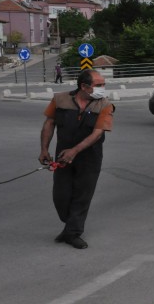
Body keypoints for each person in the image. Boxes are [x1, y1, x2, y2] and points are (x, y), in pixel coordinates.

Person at [39, 69, 115, 249]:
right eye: (98, 85)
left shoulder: (105, 105)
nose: (102, 88)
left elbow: (97, 134)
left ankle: (73, 233)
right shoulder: (60, 100)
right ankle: (69, 225)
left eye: (103, 84)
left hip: (90, 157)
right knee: (60, 195)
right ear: (84, 86)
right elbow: (49, 123)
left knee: (82, 196)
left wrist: (75, 150)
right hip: (63, 156)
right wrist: (44, 149)